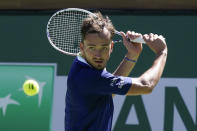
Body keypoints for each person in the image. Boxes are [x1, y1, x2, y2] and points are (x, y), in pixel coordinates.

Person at [65, 12, 167, 131]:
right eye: (92, 48)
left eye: (103, 48)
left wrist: (132, 55)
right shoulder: (89, 77)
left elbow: (108, 91)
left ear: (111, 47)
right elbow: (146, 85)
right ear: (82, 47)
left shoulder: (80, 65)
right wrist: (162, 52)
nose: (98, 55)